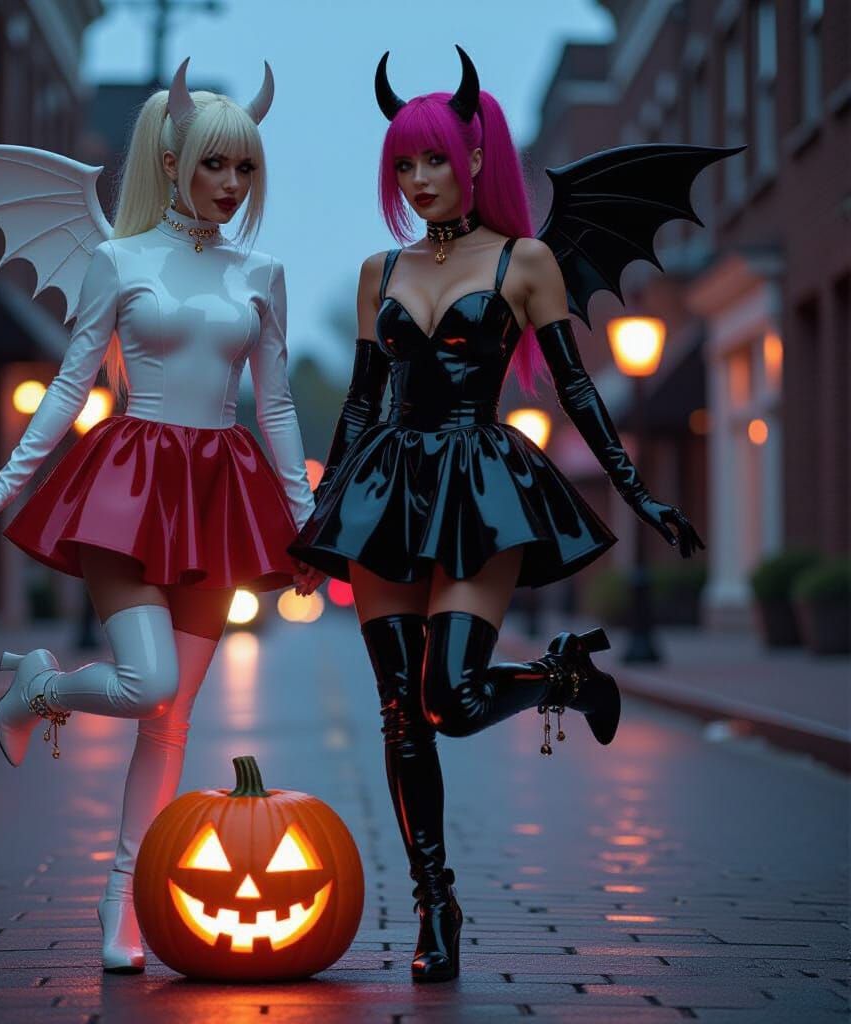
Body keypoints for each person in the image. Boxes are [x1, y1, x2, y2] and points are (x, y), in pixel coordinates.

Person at [289, 47, 705, 983]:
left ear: (476, 160)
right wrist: (318, 522)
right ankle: (437, 905)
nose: (420, 178)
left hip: (481, 486)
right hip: (387, 483)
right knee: (401, 716)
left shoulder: (528, 261)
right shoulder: (378, 268)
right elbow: (359, 404)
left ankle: (561, 682)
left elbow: (578, 391)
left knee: (452, 698)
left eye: (435, 159)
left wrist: (638, 490)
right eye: (404, 163)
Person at [0, 59, 323, 973]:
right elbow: (74, 377)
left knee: (172, 719)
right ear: (176, 158)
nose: (230, 187)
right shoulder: (119, 257)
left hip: (219, 489)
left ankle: (128, 907)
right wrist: (5, 483)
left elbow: (274, 408)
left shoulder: (261, 271)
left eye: (246, 171)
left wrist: (307, 519)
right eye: (216, 166)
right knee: (146, 685)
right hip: (129, 480)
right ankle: (40, 686)